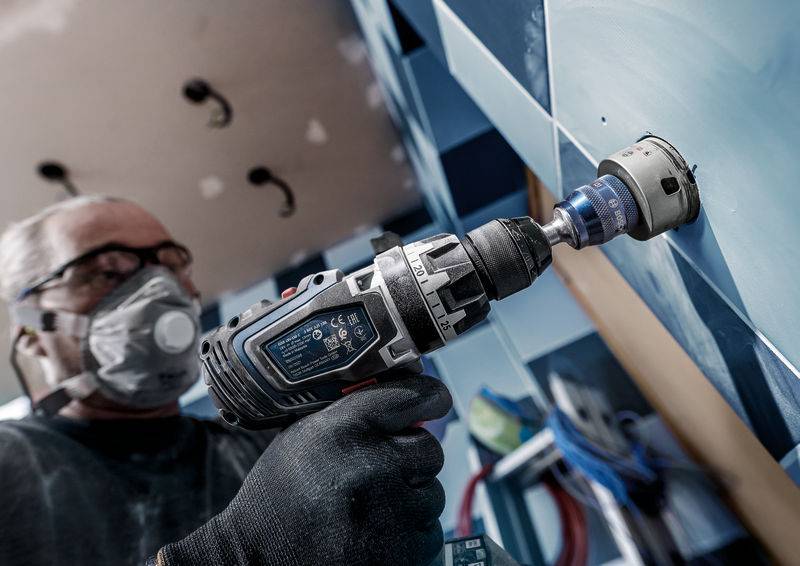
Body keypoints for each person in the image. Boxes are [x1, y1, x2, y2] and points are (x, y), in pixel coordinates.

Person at [0, 195, 451, 565]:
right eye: (107, 272)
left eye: (172, 267)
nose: (160, 292)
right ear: (32, 331)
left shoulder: (267, 448)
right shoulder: (10, 466)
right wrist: (239, 555)